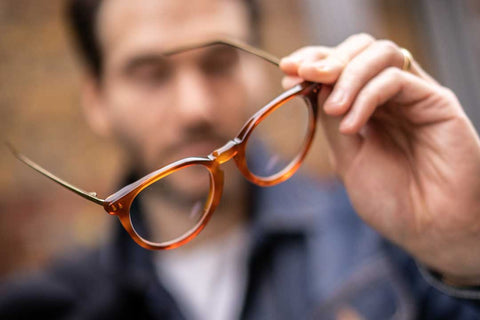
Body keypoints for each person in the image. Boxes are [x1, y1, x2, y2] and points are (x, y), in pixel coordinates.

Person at [1, 0, 480, 319]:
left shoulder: (389, 240)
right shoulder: (44, 307)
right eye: (150, 75)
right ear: (97, 101)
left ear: (262, 69)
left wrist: (467, 249)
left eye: (219, 63)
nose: (195, 108)